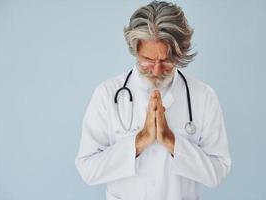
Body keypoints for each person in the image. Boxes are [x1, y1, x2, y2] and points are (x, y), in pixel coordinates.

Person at [75, 1, 231, 200]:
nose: (157, 70)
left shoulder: (203, 97)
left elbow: (217, 171)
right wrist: (139, 141)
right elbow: (88, 169)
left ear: (180, 53)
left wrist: (170, 140)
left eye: (166, 61)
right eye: (148, 59)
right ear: (135, 50)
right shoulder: (107, 94)